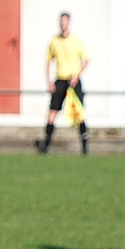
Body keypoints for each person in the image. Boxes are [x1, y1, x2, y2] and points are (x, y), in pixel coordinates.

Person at [38, 12, 90, 155]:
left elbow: (86, 60)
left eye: (65, 21)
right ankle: (46, 145)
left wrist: (77, 76)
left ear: (69, 23)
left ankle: (85, 147)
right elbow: (48, 61)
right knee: (52, 112)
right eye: (61, 22)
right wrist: (49, 81)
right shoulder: (54, 41)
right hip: (60, 80)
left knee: (79, 113)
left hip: (73, 80)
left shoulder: (76, 40)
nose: (63, 24)